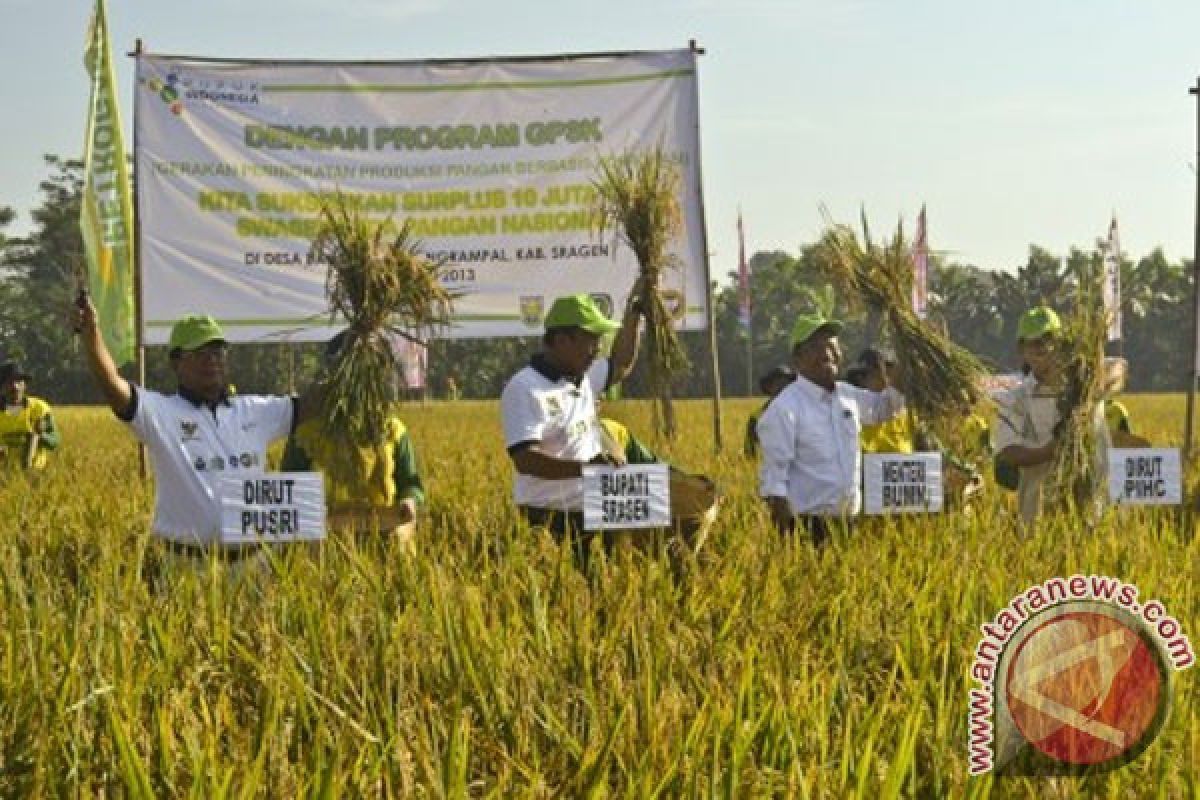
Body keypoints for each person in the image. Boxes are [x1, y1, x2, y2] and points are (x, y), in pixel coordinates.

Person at [76, 300, 313, 561]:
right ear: (176, 363)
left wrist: (361, 349)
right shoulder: (161, 412)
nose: (211, 361)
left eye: (217, 353)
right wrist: (91, 334)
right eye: (199, 354)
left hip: (253, 563)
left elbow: (316, 406)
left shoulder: (254, 410)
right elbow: (112, 384)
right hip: (187, 567)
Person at [501, 293, 636, 566]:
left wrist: (635, 316)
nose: (598, 349)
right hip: (550, 518)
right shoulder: (526, 388)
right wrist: (587, 469)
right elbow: (525, 460)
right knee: (566, 599)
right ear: (562, 340)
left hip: (597, 506)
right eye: (591, 340)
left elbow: (621, 363)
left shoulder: (582, 378)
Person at [756, 313, 905, 546]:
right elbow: (774, 482)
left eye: (832, 346)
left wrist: (905, 369)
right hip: (808, 527)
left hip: (850, 523)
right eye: (816, 347)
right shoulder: (784, 409)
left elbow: (884, 408)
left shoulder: (848, 396)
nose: (828, 353)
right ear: (797, 358)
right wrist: (789, 542)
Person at [281, 332, 425, 550]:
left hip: (385, 537)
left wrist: (409, 502)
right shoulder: (307, 434)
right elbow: (287, 489)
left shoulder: (391, 429)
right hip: (324, 544)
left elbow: (410, 484)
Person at [993, 306, 1110, 526]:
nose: (1042, 348)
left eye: (1048, 339)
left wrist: (1093, 377)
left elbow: (1119, 369)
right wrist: (1051, 451)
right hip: (1037, 513)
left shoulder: (1088, 389)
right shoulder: (1016, 399)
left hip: (1089, 511)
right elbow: (1008, 452)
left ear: (1062, 345)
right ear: (1022, 350)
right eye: (1033, 342)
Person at [0, 360, 60, 471]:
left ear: (25, 385)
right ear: (1, 387)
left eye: (19, 381)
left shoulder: (39, 409)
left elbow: (55, 441)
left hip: (36, 475)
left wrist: (40, 435)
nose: (15, 387)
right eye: (9, 382)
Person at [744, 365, 795, 457]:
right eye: (778, 385)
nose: (783, 389)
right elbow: (750, 451)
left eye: (786, 385)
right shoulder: (757, 417)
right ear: (769, 388)